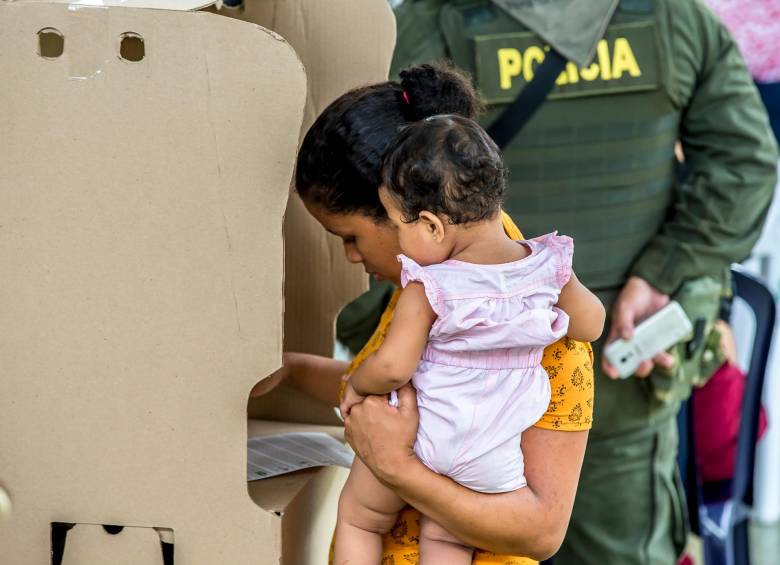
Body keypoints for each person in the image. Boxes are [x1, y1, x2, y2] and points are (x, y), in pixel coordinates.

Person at [377, 1, 779, 562]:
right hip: (613, 362)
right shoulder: (672, 19)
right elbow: (746, 167)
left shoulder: (426, 22)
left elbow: (367, 195)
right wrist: (661, 278)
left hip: (452, 395)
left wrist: (386, 347)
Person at [252, 63, 595, 565]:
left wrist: (397, 467)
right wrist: (297, 371)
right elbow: (406, 394)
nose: (351, 257)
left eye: (352, 237)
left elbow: (541, 531)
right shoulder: (433, 272)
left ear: (412, 216)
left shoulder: (537, 320)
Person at [333, 114, 605, 564]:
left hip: (426, 436)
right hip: (491, 457)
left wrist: (358, 387)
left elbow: (394, 367)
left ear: (432, 225)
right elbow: (591, 324)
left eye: (400, 228)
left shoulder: (431, 286)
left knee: (359, 518)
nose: (399, 244)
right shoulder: (548, 268)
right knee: (448, 541)